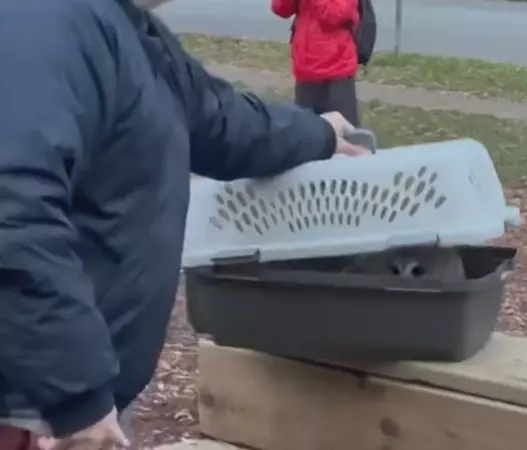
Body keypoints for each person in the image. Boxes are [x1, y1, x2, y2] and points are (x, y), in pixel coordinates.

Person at [0, 0, 368, 449]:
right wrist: (73, 394)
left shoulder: (130, 32)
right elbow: (13, 212)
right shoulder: (42, 22)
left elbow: (223, 121)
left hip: (75, 397)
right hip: (35, 407)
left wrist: (320, 135)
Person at [272, 0, 362, 126]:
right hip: (306, 68)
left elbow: (337, 14)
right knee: (306, 133)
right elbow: (280, 9)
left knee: (344, 131)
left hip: (337, 69)